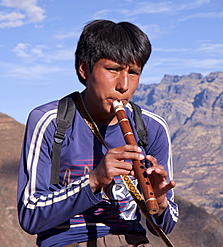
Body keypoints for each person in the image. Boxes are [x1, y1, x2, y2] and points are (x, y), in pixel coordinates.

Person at [17, 19, 178, 247]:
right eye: (113, 69)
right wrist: (94, 180)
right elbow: (29, 216)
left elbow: (166, 225)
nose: (123, 85)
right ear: (84, 68)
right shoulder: (50, 121)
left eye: (133, 72)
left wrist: (159, 201)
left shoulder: (151, 127)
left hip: (133, 241)